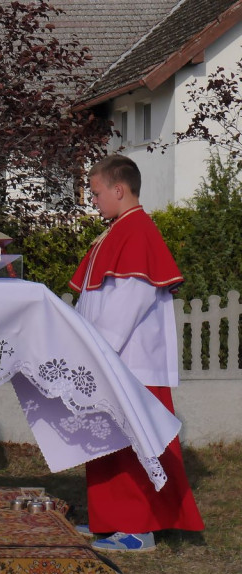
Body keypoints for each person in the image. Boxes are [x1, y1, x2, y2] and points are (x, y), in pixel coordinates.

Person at [70, 154, 204, 552]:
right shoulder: (118, 230)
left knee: (134, 446)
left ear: (119, 189)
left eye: (95, 193)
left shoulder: (137, 231)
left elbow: (129, 301)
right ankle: (111, 521)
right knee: (109, 442)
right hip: (113, 358)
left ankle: (138, 530)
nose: (93, 200)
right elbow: (95, 299)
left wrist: (98, 349)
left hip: (130, 361)